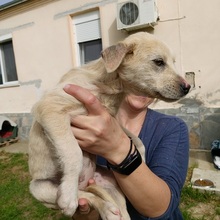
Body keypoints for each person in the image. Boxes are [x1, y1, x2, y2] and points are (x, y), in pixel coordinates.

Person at [63, 84, 189, 220]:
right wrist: (92, 211)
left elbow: (159, 208)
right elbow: (80, 204)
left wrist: (117, 149)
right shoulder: (86, 128)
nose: (144, 84)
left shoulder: (172, 127)